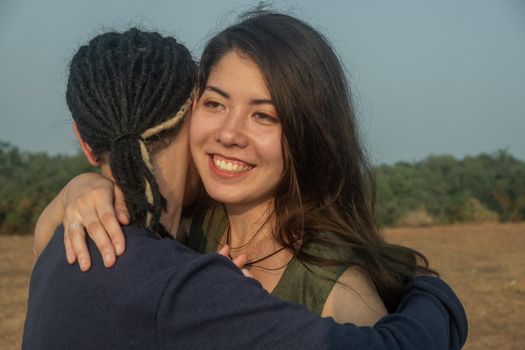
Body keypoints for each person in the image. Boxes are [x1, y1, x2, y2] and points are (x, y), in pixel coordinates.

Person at [24, 27, 468, 350]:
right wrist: (77, 190)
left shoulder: (335, 288)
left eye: (264, 115)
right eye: (216, 104)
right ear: (187, 113)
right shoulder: (179, 238)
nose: (231, 134)